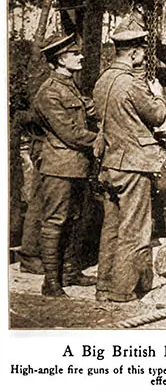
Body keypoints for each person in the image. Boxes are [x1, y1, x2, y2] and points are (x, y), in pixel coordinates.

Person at [93, 17, 166, 303]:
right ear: (135, 53)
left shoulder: (103, 82)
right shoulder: (132, 84)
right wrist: (159, 95)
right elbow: (158, 116)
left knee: (110, 228)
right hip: (133, 164)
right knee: (134, 230)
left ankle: (103, 287)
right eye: (140, 52)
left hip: (110, 164)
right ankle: (122, 291)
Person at [33, 33, 97, 297]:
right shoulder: (48, 93)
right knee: (55, 221)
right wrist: (101, 139)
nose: (80, 56)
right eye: (75, 53)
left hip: (77, 165)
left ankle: (69, 272)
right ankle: (50, 282)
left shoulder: (70, 86)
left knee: (76, 218)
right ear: (60, 59)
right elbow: (70, 133)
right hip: (58, 166)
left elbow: (89, 108)